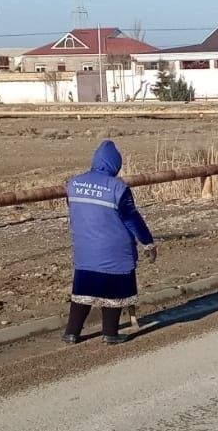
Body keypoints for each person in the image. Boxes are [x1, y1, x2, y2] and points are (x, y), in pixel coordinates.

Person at [63, 139, 156, 345]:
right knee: (114, 293)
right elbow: (132, 219)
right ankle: (110, 333)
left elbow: (74, 210)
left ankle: (72, 332)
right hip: (114, 251)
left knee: (83, 292)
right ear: (115, 165)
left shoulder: (74, 183)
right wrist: (147, 242)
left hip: (85, 250)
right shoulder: (117, 188)